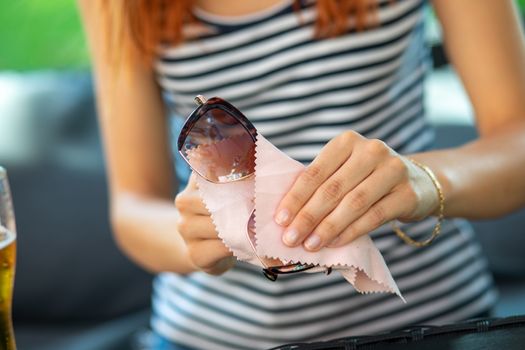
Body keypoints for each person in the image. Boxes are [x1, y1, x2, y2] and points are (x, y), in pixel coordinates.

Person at [78, 0, 525, 349]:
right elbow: (133, 206)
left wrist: (422, 180)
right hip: (213, 337)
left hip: (433, 324)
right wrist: (197, 232)